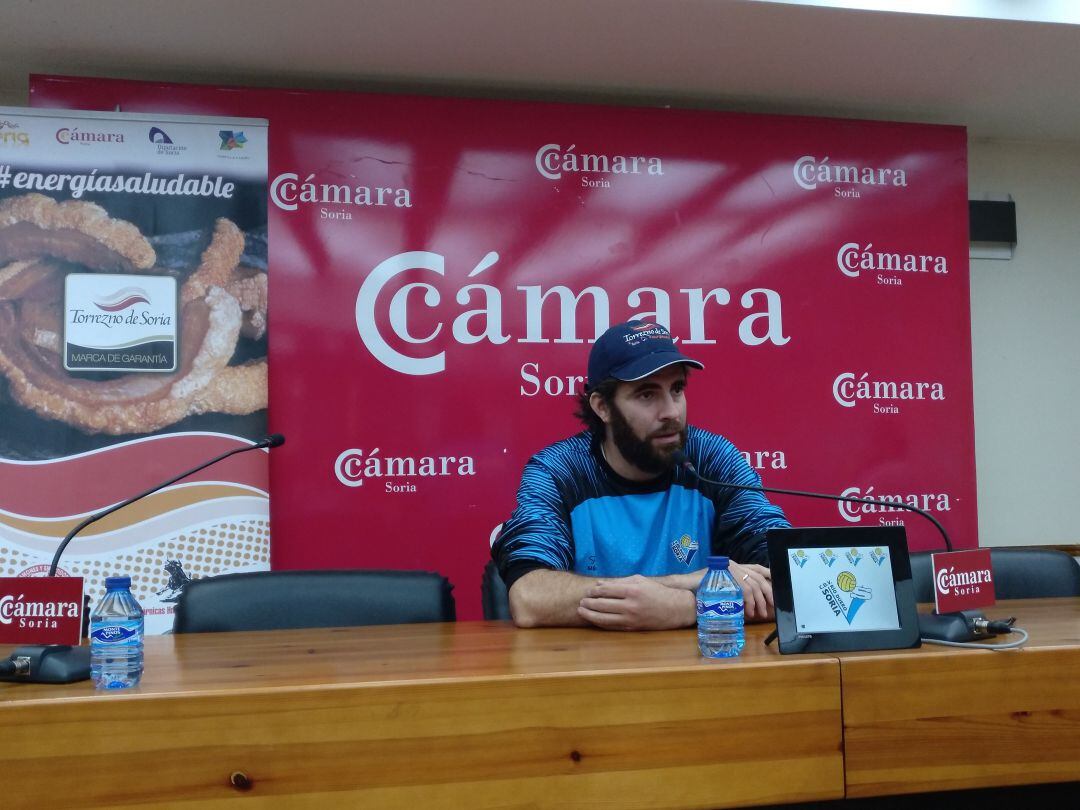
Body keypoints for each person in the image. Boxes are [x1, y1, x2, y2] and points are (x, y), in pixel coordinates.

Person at [492, 319, 790, 629]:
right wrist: (691, 583)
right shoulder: (558, 471)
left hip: (704, 670)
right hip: (593, 671)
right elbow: (529, 598)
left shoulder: (712, 460)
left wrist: (689, 607)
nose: (671, 412)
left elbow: (789, 579)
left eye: (676, 389)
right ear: (602, 407)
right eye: (647, 395)